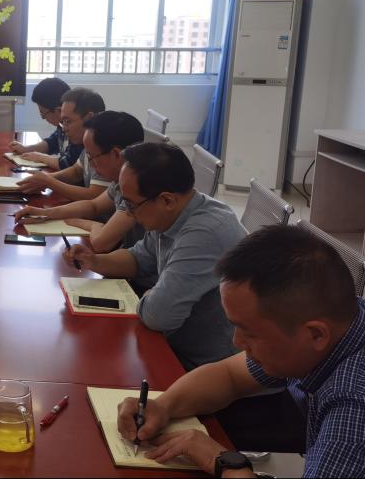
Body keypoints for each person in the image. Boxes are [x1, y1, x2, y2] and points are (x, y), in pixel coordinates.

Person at [115, 225, 365, 478]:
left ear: (316, 334)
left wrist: (224, 462)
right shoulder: (337, 319)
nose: (237, 342)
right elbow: (229, 376)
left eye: (250, 333)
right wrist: (163, 406)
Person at [65, 142, 246, 369]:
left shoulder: (204, 233)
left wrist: (150, 298)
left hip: (205, 365)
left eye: (131, 205)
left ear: (167, 200)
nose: (129, 213)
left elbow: (158, 316)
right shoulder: (171, 214)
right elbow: (138, 259)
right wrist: (94, 260)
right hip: (174, 345)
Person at [14, 111, 144, 252]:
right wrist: (45, 213)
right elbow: (93, 206)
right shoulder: (119, 181)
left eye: (92, 157)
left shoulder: (137, 189)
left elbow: (101, 242)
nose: (91, 165)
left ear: (116, 154)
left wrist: (90, 225)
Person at [16, 87, 108, 201]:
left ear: (89, 118)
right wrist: (44, 178)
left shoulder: (106, 146)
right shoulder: (88, 143)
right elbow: (75, 172)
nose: (64, 129)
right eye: (62, 122)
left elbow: (94, 196)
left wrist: (50, 182)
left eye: (68, 121)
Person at [8, 77, 75, 170]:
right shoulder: (62, 125)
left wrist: (41, 158)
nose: (43, 118)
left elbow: (68, 164)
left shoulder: (77, 131)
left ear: (58, 110)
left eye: (43, 113)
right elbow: (51, 143)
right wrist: (26, 149)